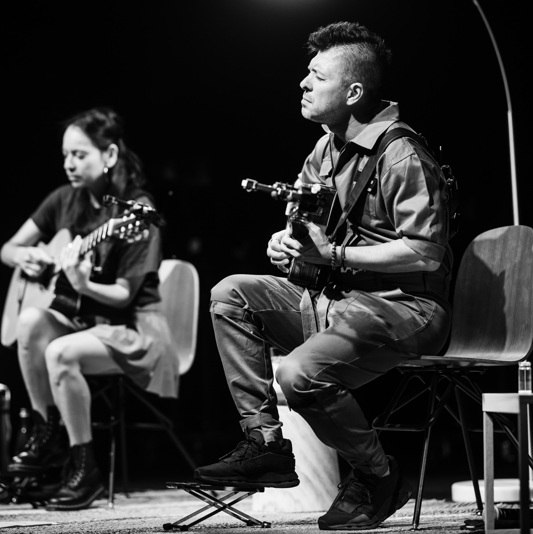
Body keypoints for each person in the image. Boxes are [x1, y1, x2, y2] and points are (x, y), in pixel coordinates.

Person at [193, 21, 454, 530]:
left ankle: (378, 475)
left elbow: (426, 254)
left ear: (353, 92)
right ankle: (266, 443)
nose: (303, 84)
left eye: (316, 75)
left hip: (407, 307)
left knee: (296, 373)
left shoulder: (401, 153)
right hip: (336, 298)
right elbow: (307, 237)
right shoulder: (324, 149)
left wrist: (331, 254)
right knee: (230, 294)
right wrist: (287, 247)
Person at [0, 106, 178, 511]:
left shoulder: (136, 210)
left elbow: (124, 296)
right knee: (29, 322)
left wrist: (82, 283)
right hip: (83, 322)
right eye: (66, 155)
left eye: (80, 155)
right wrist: (27, 257)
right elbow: (7, 249)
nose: (69, 164)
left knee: (59, 351)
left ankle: (85, 469)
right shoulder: (65, 199)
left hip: (134, 328)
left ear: (110, 156)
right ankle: (47, 433)